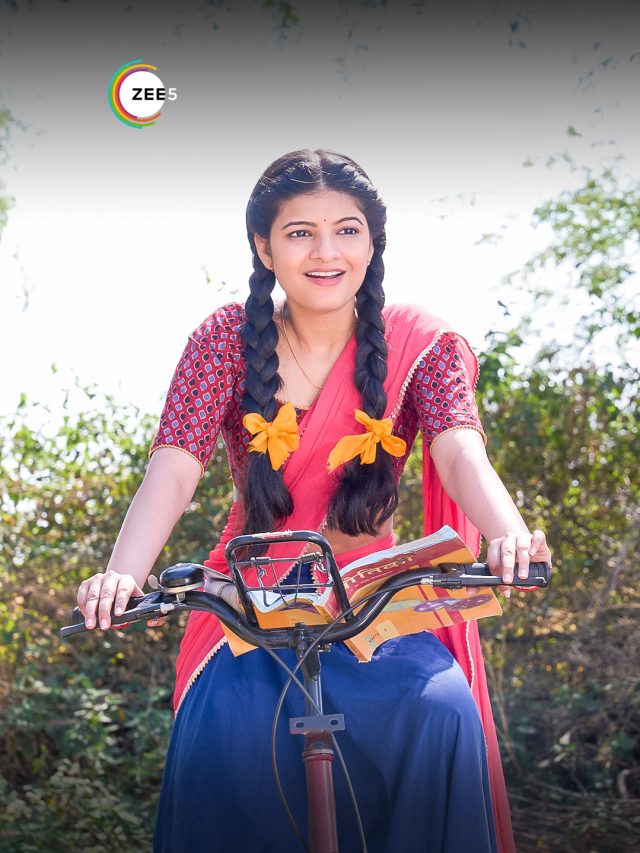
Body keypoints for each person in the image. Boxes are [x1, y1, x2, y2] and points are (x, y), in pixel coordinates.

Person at [76, 149, 551, 853]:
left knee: (442, 710)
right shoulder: (224, 340)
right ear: (265, 248)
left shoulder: (423, 342)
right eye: (300, 232)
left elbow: (458, 451)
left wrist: (509, 535)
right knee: (220, 732)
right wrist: (122, 573)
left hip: (376, 605)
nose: (326, 252)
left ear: (373, 242)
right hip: (245, 602)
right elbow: (173, 470)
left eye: (346, 230)